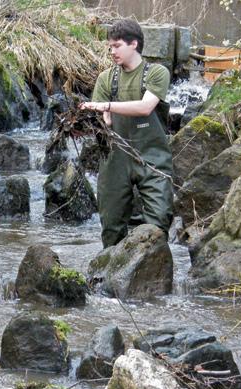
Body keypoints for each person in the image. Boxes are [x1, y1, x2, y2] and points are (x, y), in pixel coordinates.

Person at [79, 19, 174, 248]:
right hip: (115, 158)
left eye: (117, 46)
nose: (112, 52)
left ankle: (153, 275)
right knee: (111, 227)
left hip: (152, 156)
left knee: (159, 222)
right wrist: (99, 117)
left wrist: (107, 106)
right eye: (110, 46)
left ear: (134, 44)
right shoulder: (105, 78)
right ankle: (108, 276)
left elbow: (145, 107)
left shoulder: (157, 73)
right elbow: (104, 120)